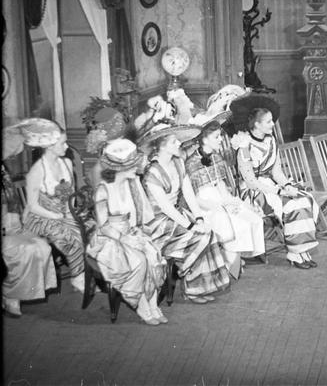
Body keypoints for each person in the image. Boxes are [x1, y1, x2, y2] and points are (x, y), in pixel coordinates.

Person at [140, 123, 232, 303]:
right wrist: (191, 225)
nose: (179, 144)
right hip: (158, 223)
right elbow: (165, 207)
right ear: (162, 147)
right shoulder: (152, 172)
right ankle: (187, 283)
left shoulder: (178, 163)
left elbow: (188, 193)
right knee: (200, 237)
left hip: (177, 215)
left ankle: (198, 287)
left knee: (209, 232)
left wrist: (199, 218)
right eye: (173, 142)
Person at [230, 97, 319, 270]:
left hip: (271, 185)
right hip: (253, 192)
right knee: (291, 206)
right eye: (268, 121)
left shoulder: (271, 140)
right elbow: (251, 181)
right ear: (257, 124)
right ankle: (294, 253)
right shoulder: (244, 145)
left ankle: (302, 250)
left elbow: (276, 172)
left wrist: (287, 186)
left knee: (304, 198)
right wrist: (279, 192)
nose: (273, 124)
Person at [86, 140, 167, 325]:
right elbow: (104, 226)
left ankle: (153, 304)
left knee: (153, 254)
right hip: (108, 239)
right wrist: (125, 239)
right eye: (132, 165)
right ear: (119, 168)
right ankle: (141, 306)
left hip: (129, 232)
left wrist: (138, 236)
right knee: (138, 261)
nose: (136, 168)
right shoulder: (103, 189)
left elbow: (139, 216)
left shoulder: (132, 184)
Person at [19, 119, 85, 292]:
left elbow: (71, 194)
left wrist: (70, 214)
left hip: (63, 213)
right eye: (62, 143)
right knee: (68, 236)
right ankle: (78, 278)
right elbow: (33, 205)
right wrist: (56, 216)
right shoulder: (37, 170)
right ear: (49, 145)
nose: (66, 146)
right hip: (41, 217)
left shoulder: (67, 163)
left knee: (87, 230)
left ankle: (83, 273)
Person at [185, 121, 266, 260]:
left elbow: (223, 190)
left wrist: (239, 203)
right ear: (205, 139)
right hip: (204, 207)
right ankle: (231, 260)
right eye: (217, 137)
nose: (221, 139)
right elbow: (195, 199)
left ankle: (235, 258)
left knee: (252, 217)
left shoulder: (218, 157)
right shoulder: (191, 163)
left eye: (221, 136)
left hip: (223, 199)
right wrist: (221, 206)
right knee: (234, 223)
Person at [2, 165, 58, 317]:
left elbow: (13, 208)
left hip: (14, 226)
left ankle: (22, 291)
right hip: (5, 232)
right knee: (26, 249)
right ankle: (10, 296)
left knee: (43, 246)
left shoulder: (5, 178)